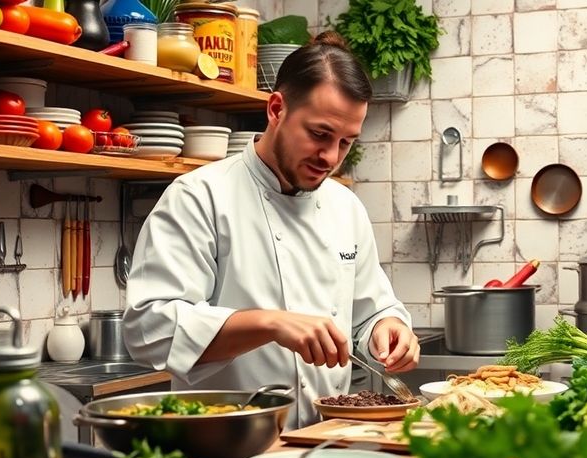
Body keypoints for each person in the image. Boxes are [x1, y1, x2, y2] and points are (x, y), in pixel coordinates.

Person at [122, 31, 420, 428]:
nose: (330, 157)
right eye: (319, 134)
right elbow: (149, 328)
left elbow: (370, 311)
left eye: (346, 142)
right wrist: (271, 323)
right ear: (276, 108)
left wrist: (389, 327)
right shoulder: (199, 196)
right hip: (227, 442)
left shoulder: (345, 207)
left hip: (328, 437)